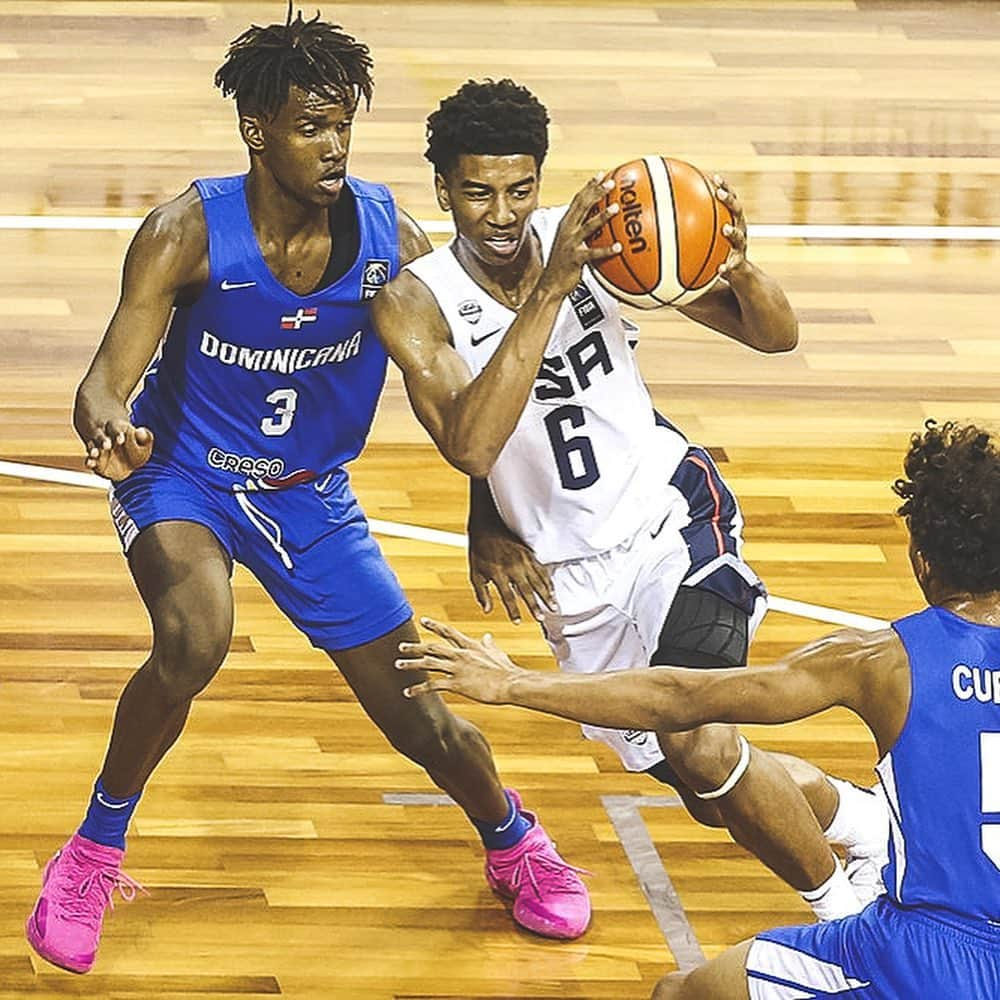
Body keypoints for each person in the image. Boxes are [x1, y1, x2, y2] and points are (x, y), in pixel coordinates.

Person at [26, 17, 591, 977]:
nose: (333, 146)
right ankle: (90, 855)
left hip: (309, 498)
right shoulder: (185, 232)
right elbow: (102, 385)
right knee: (194, 634)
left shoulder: (392, 245)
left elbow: (458, 408)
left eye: (343, 125)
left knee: (420, 714)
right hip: (186, 478)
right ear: (257, 129)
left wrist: (487, 519)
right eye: (311, 126)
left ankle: (513, 841)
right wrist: (109, 428)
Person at [371, 78, 886, 923]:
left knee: (701, 735)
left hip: (671, 522)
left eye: (519, 189)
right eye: (476, 192)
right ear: (442, 191)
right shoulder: (416, 301)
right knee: (709, 791)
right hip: (571, 581)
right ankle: (870, 823)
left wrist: (738, 262)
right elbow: (469, 444)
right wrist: (548, 292)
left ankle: (852, 922)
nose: (501, 214)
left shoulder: (603, 244)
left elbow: (774, 333)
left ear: (539, 179)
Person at [397, 419, 1000, 999]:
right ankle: (864, 824)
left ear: (921, 559)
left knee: (679, 992)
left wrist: (510, 684)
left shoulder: (881, 660)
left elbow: (677, 697)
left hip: (930, 955)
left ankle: (854, 860)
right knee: (735, 774)